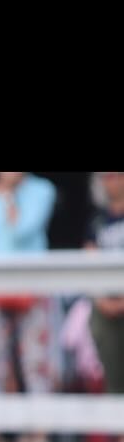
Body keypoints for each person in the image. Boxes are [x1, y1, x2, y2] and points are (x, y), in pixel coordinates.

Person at [0, 170, 58, 442]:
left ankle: (39, 440)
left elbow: (22, 230)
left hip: (33, 287)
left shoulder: (42, 190)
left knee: (36, 363)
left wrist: (8, 197)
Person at [84, 170, 124, 403]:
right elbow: (88, 261)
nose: (112, 181)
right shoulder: (97, 221)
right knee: (115, 375)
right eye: (107, 176)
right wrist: (102, 300)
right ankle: (121, 436)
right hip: (106, 306)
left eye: (117, 175)